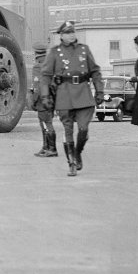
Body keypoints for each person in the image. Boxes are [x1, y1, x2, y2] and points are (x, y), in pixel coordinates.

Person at [40, 20, 103, 177]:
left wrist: (100, 90)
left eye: (73, 32)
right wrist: (45, 95)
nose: (71, 35)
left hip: (83, 93)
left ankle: (77, 153)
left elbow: (95, 71)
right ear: (61, 35)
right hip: (64, 94)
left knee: (83, 129)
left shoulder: (84, 50)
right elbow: (45, 76)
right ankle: (72, 163)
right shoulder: (54, 52)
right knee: (68, 130)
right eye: (68, 33)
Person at [29, 42, 57, 157]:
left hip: (42, 100)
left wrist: (33, 101)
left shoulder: (38, 66)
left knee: (46, 124)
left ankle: (51, 149)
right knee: (47, 123)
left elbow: (38, 87)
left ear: (36, 54)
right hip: (51, 99)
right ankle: (46, 147)